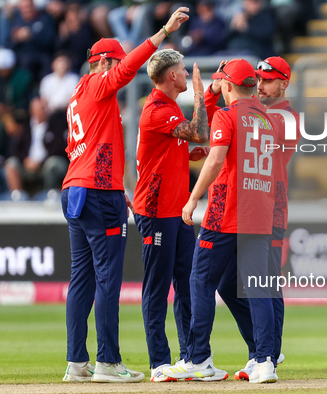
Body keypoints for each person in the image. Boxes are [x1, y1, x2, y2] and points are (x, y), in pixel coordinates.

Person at [60, 7, 189, 383]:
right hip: (97, 195)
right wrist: (163, 31)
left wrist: (120, 187)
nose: (120, 71)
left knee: (80, 279)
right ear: (103, 63)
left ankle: (76, 362)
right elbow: (128, 67)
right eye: (115, 63)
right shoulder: (99, 84)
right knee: (107, 280)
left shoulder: (79, 95)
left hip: (78, 190)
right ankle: (108, 362)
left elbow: (86, 148)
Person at [162, 59, 282, 384]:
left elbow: (216, 159)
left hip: (224, 212)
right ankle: (266, 360)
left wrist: (192, 198)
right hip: (259, 213)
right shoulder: (267, 120)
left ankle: (198, 357)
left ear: (228, 86)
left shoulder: (227, 116)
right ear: (254, 87)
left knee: (200, 281)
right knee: (256, 288)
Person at [132, 48, 212, 382]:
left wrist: (190, 152)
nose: (184, 72)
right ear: (172, 77)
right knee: (157, 286)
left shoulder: (168, 107)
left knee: (186, 283)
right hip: (156, 211)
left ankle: (191, 357)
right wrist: (200, 93)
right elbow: (201, 131)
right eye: (182, 69)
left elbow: (181, 144)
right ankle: (159, 362)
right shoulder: (156, 109)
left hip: (177, 210)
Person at [229, 56, 297, 381]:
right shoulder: (260, 111)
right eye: (257, 78)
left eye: (268, 79)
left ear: (284, 82)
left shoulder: (285, 117)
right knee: (252, 281)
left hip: (272, 205)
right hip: (254, 202)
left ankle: (267, 352)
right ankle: (264, 349)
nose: (261, 84)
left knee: (265, 281)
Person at [5, 97, 69, 194]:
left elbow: (59, 148)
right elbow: (16, 149)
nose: (44, 111)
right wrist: (25, 160)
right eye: (40, 109)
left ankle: (48, 195)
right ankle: (17, 197)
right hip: (27, 164)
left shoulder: (55, 125)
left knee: (51, 164)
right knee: (11, 163)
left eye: (44, 108)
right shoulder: (26, 128)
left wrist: (40, 161)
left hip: (45, 163)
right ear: (32, 111)